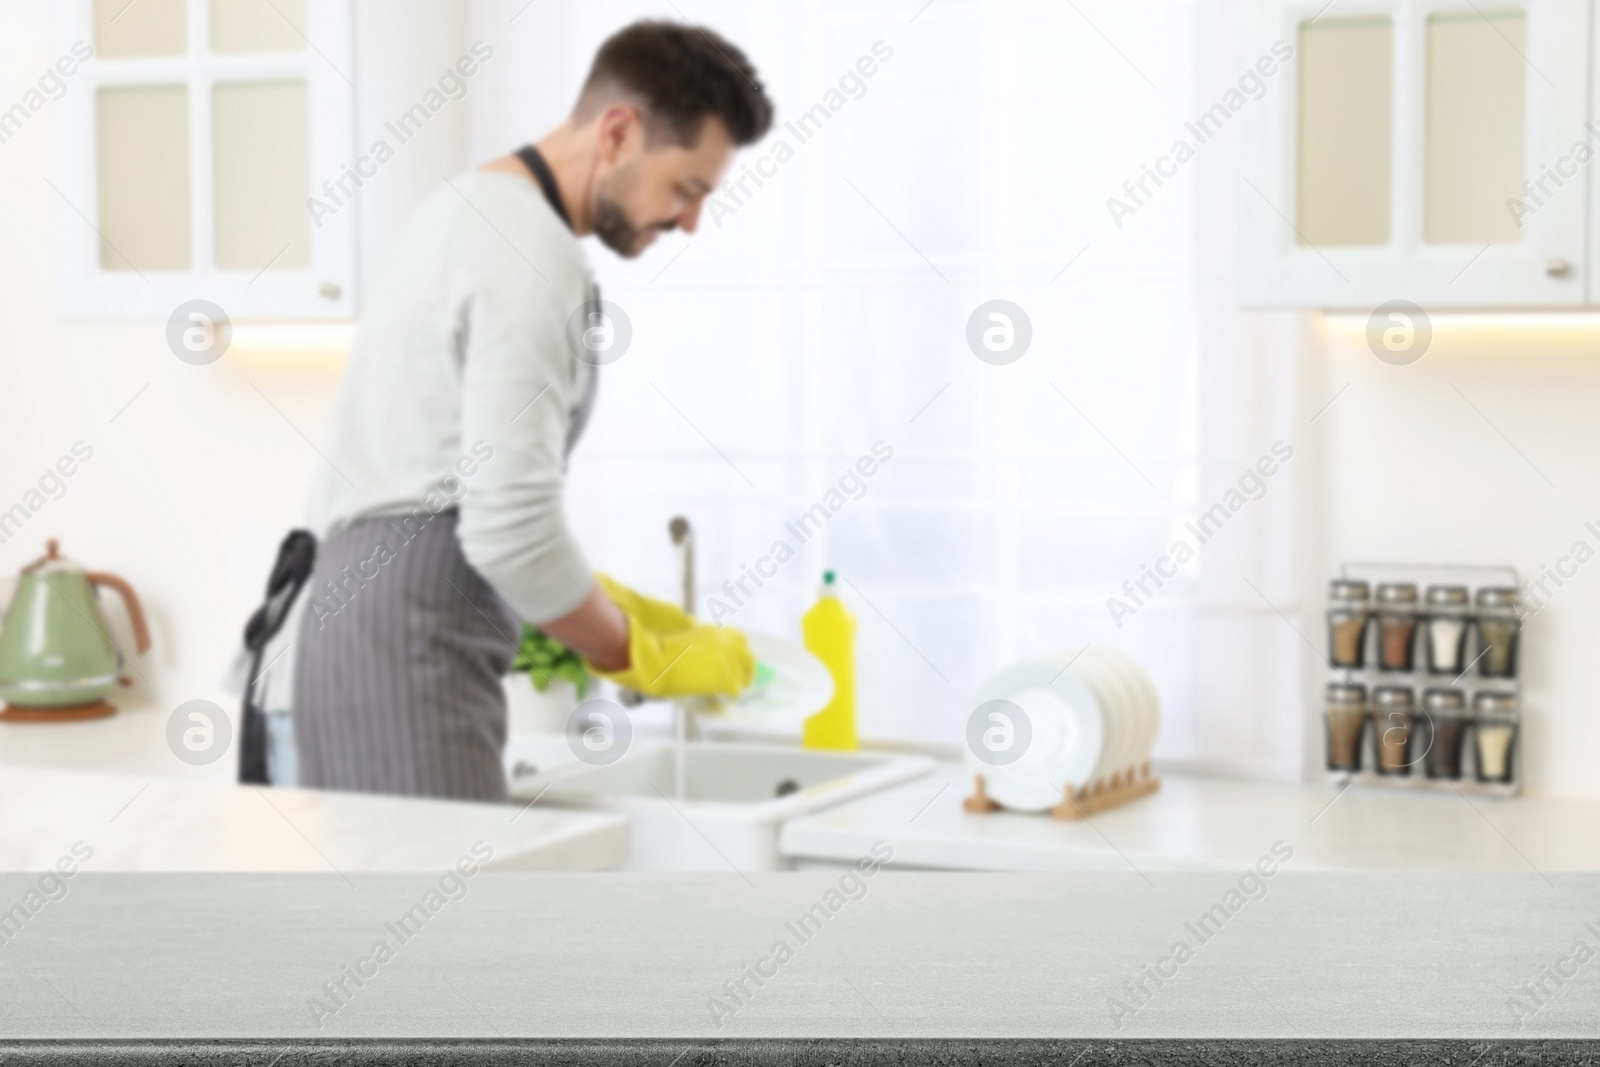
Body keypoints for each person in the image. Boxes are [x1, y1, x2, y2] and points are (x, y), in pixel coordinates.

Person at [291, 21, 773, 801]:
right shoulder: (532, 252)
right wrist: (642, 655)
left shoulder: (466, 209)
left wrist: (608, 601)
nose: (689, 221)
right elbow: (508, 529)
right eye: (687, 188)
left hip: (367, 618)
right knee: (440, 918)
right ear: (618, 132)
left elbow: (444, 476)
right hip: (410, 628)